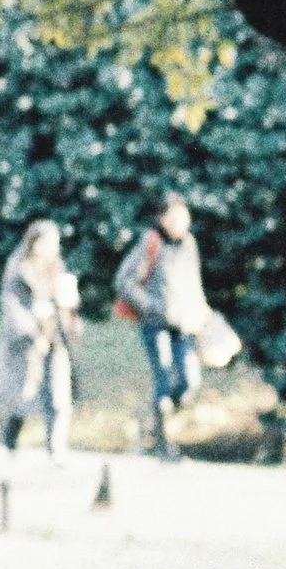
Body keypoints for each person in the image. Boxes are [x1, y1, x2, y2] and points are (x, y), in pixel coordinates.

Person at [115, 191, 211, 461]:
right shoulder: (151, 241)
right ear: (162, 218)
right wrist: (152, 307)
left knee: (189, 381)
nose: (182, 221)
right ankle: (163, 444)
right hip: (156, 325)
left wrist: (201, 313)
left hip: (185, 325)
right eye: (175, 216)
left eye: (184, 215)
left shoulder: (189, 244)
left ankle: (154, 425)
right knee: (164, 378)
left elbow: (194, 283)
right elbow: (124, 281)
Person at [0, 218, 80, 458]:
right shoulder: (18, 267)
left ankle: (56, 448)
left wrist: (69, 314)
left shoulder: (57, 268)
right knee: (22, 396)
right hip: (26, 344)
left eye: (55, 243)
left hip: (54, 338)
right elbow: (13, 307)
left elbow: (66, 304)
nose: (52, 248)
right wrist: (33, 333)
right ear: (34, 243)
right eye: (47, 243)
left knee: (59, 395)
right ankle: (9, 442)